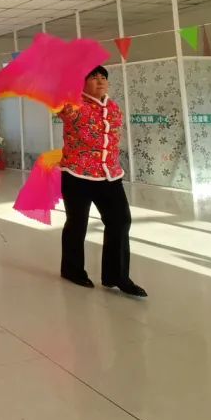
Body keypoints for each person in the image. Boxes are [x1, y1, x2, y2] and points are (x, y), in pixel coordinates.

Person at [59, 66, 147, 298]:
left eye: (104, 78)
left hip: (109, 175)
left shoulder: (113, 107)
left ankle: (117, 276)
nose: (100, 81)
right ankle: (72, 269)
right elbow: (61, 106)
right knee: (77, 223)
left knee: (120, 220)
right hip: (77, 175)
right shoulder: (72, 106)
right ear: (83, 82)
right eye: (94, 77)